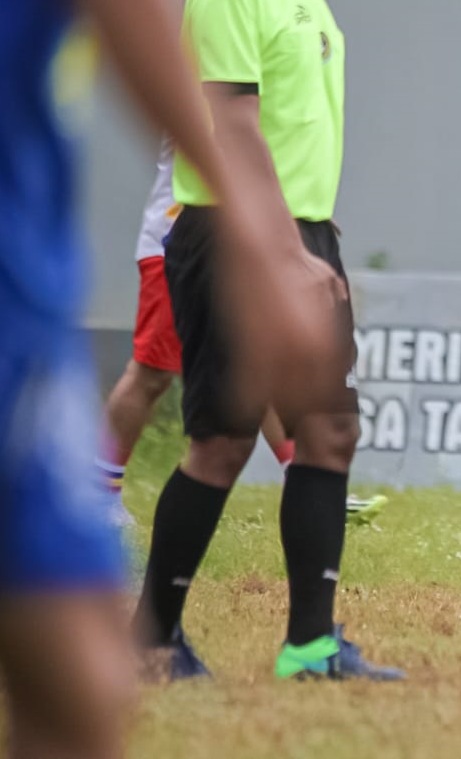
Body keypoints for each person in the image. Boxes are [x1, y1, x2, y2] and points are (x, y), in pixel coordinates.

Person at [0, 0, 349, 755]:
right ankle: (184, 627)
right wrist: (262, 243)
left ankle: (266, 634)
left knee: (75, 675)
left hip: (8, 209)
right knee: (206, 436)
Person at [134, 0, 402, 682]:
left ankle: (311, 646)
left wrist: (313, 243)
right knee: (222, 438)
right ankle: (151, 637)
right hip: (236, 231)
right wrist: (284, 251)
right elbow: (235, 130)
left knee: (328, 432)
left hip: (299, 230)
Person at [96, 140, 387, 527]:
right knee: (153, 371)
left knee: (255, 362)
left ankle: (305, 482)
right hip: (179, 241)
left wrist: (292, 212)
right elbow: (224, 145)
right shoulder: (207, 79)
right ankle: (96, 496)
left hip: (242, 239)